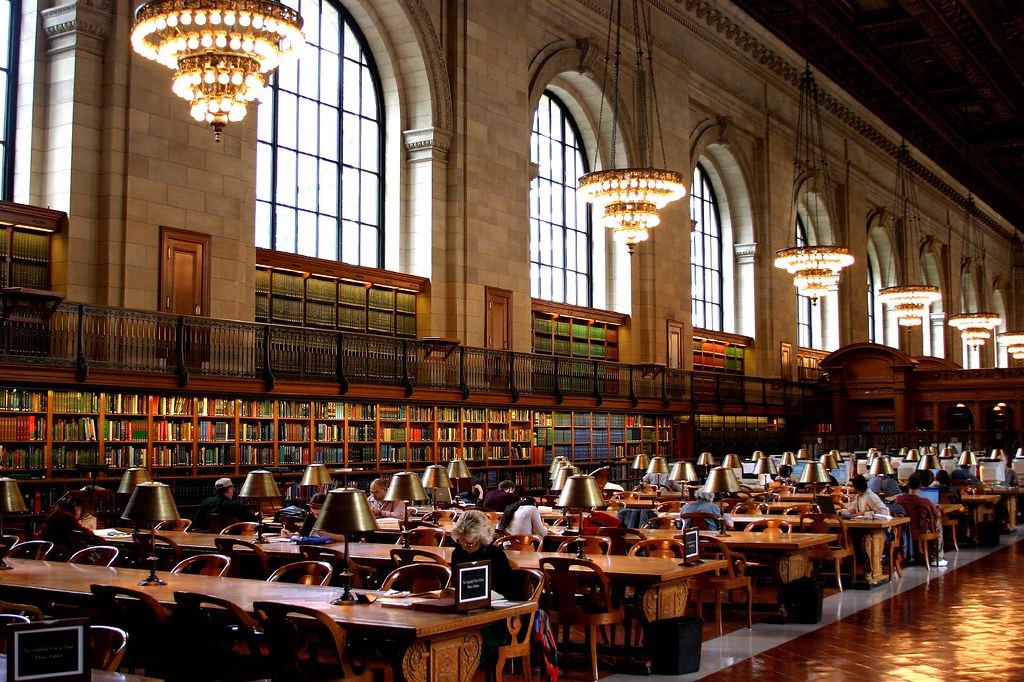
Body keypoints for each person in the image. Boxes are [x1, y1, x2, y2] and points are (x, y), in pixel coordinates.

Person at [450, 509, 515, 598]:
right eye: (459, 542)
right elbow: (455, 585)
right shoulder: (458, 552)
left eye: (469, 544)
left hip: (494, 601)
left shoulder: (495, 554)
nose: (464, 547)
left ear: (481, 539)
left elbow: (507, 589)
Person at [895, 473, 946, 567]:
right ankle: (936, 557)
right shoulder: (925, 501)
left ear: (907, 484)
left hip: (904, 530)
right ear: (920, 486)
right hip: (921, 529)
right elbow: (938, 514)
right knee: (937, 523)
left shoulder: (899, 499)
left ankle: (915, 554)